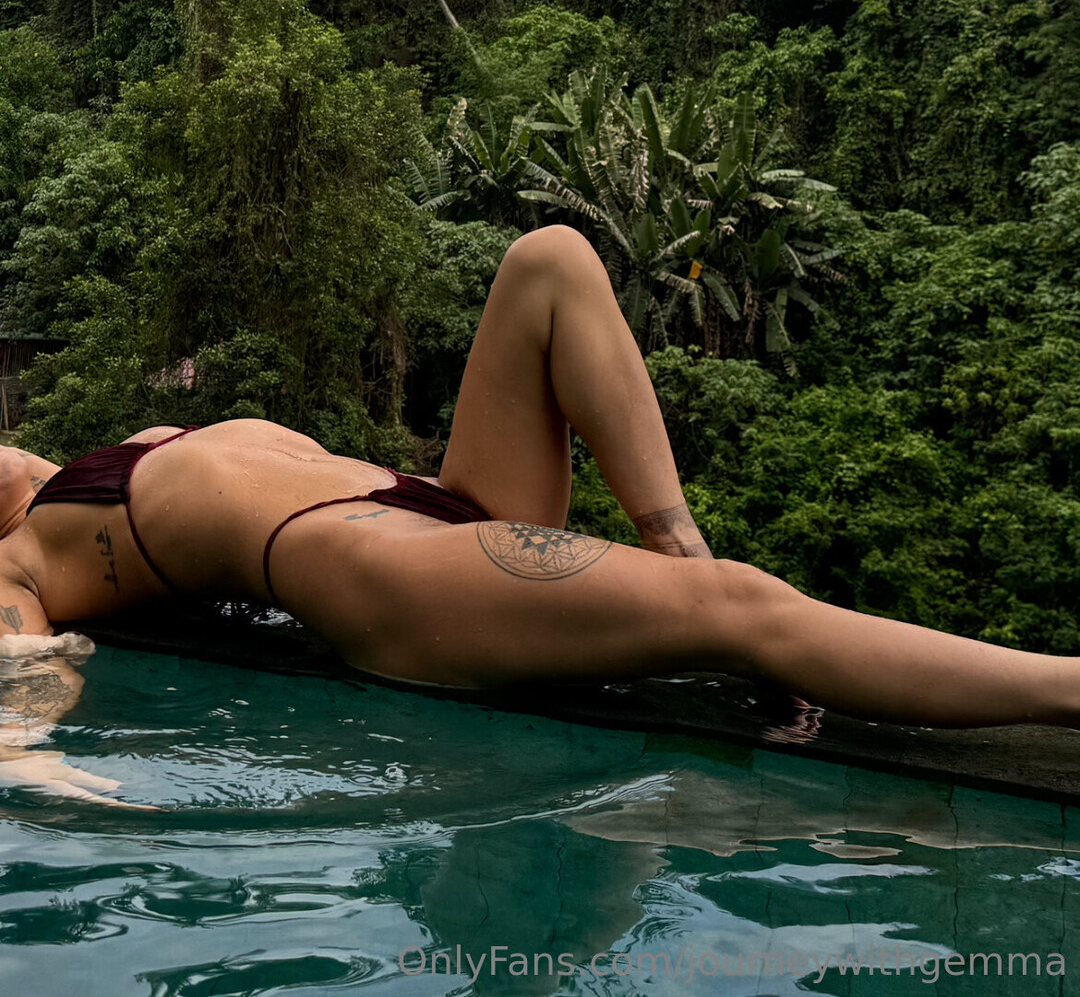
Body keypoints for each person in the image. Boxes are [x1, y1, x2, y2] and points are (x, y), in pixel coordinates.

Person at [0, 228, 1077, 804]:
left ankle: (679, 547)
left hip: (427, 506)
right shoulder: (21, 559)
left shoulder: (80, 467)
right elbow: (21, 676)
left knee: (550, 258)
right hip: (379, 572)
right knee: (742, 606)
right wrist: (52, 772)